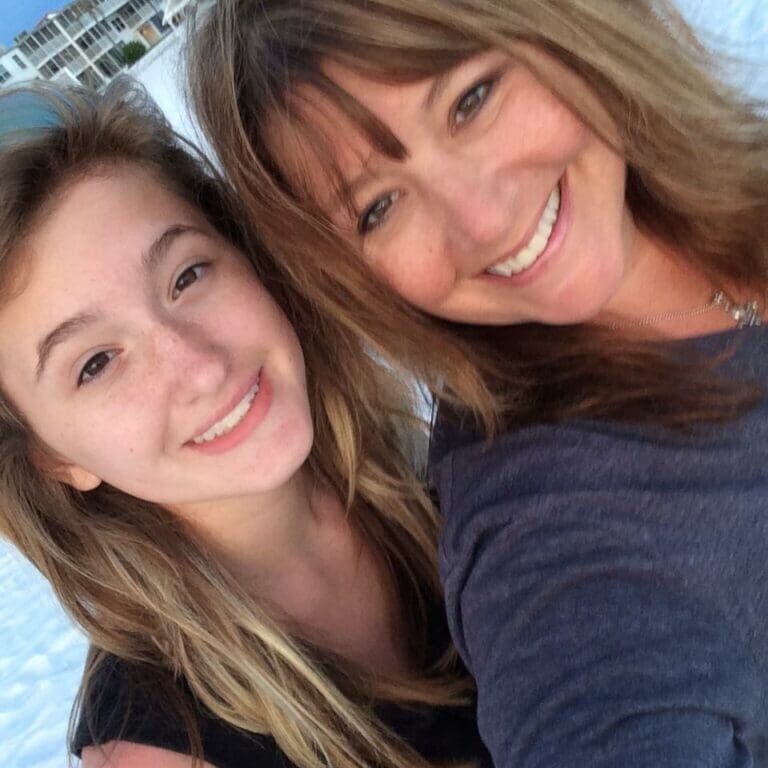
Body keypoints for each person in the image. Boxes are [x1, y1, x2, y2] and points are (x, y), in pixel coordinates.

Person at [186, 1, 768, 766]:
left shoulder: (735, 174)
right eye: (378, 207)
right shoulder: (552, 532)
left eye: (470, 100)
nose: (484, 219)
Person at [0, 81, 492, 768]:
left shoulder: (458, 468)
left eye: (187, 275)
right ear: (53, 458)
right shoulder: (165, 751)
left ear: (249, 258)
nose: (199, 366)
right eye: (96, 364)